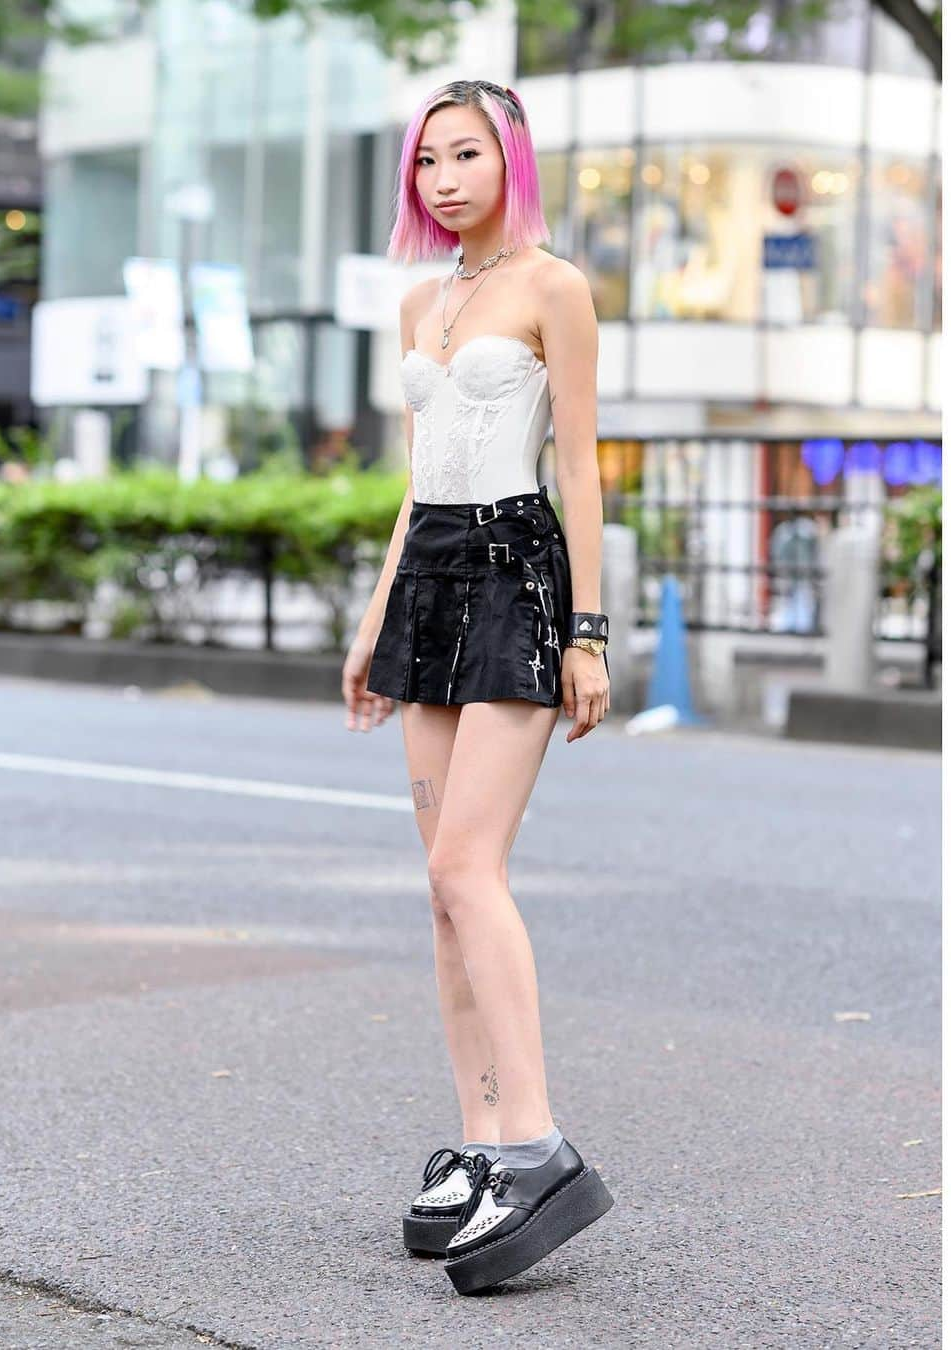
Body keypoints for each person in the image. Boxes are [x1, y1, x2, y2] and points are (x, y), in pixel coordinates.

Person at [340, 79, 614, 1295]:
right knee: (436, 891)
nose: (445, 178)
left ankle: (537, 1142)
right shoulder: (419, 298)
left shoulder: (552, 285)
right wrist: (372, 618)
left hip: (515, 568)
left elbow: (586, 466)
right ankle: (479, 1142)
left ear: (512, 160)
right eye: (428, 161)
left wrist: (589, 632)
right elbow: (417, 476)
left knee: (468, 865)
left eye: (468, 154)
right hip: (430, 575)